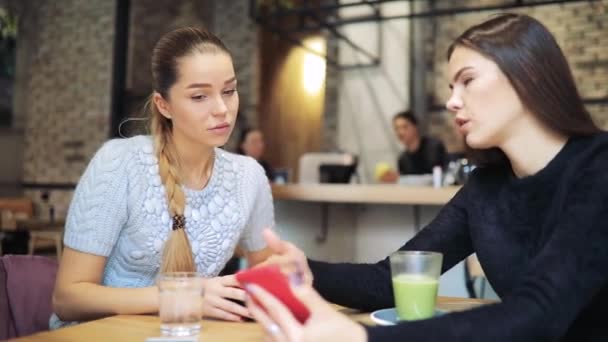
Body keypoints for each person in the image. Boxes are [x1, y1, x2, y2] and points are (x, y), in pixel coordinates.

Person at [246, 13, 608, 341]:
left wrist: (362, 339)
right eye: (452, 87)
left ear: (527, 74)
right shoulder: (486, 187)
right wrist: (306, 269)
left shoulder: (598, 167)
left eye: (467, 80)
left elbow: (539, 313)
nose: (452, 101)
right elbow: (392, 280)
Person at [50, 27, 275, 328]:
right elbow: (68, 299)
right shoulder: (120, 164)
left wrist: (289, 274)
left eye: (229, 91)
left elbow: (267, 276)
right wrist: (183, 296)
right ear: (163, 105)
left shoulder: (250, 176)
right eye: (199, 96)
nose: (222, 109)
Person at [378, 111, 447, 182]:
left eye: (405, 127)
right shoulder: (402, 158)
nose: (400, 132)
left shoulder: (433, 147)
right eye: (396, 128)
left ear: (415, 127)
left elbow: (440, 177)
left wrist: (400, 179)